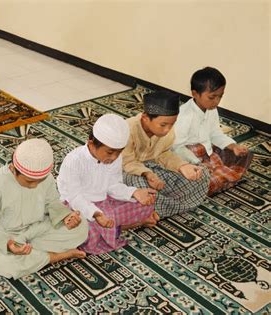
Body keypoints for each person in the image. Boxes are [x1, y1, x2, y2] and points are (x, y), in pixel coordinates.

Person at [0, 139, 88, 279]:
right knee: (1, 264)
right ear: (13, 169)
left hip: (38, 228)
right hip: (10, 236)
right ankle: (55, 256)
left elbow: (53, 203)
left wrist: (66, 217)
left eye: (40, 181)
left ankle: (33, 255)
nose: (34, 186)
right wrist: (8, 244)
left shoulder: (47, 178)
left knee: (82, 226)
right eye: (30, 181)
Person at [57, 114, 158, 254]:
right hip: (77, 207)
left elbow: (113, 186)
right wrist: (96, 214)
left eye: (119, 152)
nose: (114, 157)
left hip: (106, 203)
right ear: (92, 144)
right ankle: (124, 226)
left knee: (145, 202)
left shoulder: (115, 158)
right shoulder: (74, 161)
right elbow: (74, 197)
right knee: (80, 228)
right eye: (110, 152)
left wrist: (134, 192)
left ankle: (114, 227)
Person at [122, 90, 210, 218]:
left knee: (202, 174)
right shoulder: (127, 129)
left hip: (155, 169)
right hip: (130, 172)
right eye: (163, 125)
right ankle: (157, 208)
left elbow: (164, 154)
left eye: (172, 124)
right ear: (146, 118)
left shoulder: (167, 131)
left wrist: (182, 166)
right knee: (141, 186)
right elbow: (127, 163)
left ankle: (155, 210)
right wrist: (148, 174)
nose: (168, 129)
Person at [173, 67, 253, 195]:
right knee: (201, 176)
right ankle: (217, 179)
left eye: (220, 96)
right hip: (191, 156)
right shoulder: (185, 116)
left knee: (245, 154)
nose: (217, 101)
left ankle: (217, 177)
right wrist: (196, 163)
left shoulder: (211, 109)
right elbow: (176, 147)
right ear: (195, 94)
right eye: (212, 97)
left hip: (208, 152)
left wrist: (233, 146)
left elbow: (215, 134)